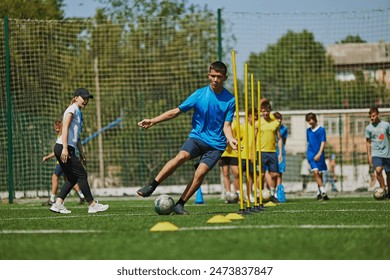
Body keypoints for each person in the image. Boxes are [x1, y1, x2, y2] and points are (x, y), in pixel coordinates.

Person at [137, 61, 237, 214]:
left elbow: (227, 125)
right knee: (181, 156)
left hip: (216, 144)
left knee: (200, 173)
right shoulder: (199, 94)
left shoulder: (230, 100)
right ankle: (152, 186)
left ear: (225, 77)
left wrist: (231, 139)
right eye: (213, 76)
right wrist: (153, 120)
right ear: (208, 75)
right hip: (197, 137)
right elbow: (175, 111)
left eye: (219, 76)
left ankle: (180, 204)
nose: (216, 79)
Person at [50, 88, 109, 214]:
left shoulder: (78, 112)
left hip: (65, 147)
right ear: (76, 97)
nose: (86, 101)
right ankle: (92, 205)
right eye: (84, 98)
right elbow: (64, 128)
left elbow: (77, 137)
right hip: (63, 147)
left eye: (87, 99)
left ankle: (58, 204)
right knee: (82, 175)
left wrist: (81, 153)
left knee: (72, 178)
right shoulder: (72, 109)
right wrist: (65, 148)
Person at [42, 120, 85, 206]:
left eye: (58, 126)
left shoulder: (64, 135)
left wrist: (47, 157)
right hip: (64, 160)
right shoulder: (65, 135)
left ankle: (52, 199)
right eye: (56, 126)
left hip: (62, 160)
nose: (56, 128)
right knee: (69, 180)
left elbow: (58, 151)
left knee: (55, 177)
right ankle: (82, 195)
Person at [255, 101, 282, 203]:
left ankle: (273, 194)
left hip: (272, 152)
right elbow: (253, 138)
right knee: (260, 175)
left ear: (270, 111)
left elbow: (279, 138)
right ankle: (258, 193)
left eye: (266, 111)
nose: (265, 113)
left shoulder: (275, 123)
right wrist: (253, 153)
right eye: (263, 111)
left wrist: (280, 153)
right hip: (260, 151)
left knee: (274, 175)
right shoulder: (258, 123)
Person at [365, 106, 390, 198]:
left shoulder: (386, 125)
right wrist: (369, 155)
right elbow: (368, 142)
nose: (372, 118)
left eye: (374, 116)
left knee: (389, 173)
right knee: (378, 171)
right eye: (370, 116)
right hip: (376, 153)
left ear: (378, 115)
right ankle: (383, 189)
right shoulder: (368, 128)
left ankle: (389, 191)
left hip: (387, 153)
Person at [305, 112, 329, 200]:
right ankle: (323, 191)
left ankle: (318, 192)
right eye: (308, 120)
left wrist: (319, 153)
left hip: (320, 154)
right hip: (311, 154)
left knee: (320, 173)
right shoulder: (308, 131)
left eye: (311, 119)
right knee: (315, 172)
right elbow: (309, 142)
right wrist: (312, 154)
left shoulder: (321, 130)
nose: (310, 122)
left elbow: (323, 142)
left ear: (315, 119)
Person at [219, 118, 240, 202]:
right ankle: (228, 193)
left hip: (234, 152)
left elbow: (239, 137)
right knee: (225, 173)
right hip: (223, 152)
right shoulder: (220, 123)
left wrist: (232, 140)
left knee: (236, 173)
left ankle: (236, 193)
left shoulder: (236, 124)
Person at [273, 112, 288, 189]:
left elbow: (283, 141)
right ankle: (270, 190)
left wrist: (281, 151)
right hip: (271, 151)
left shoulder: (284, 129)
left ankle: (278, 190)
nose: (279, 120)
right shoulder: (270, 127)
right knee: (271, 173)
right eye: (277, 118)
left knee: (279, 173)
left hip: (280, 152)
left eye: (280, 118)